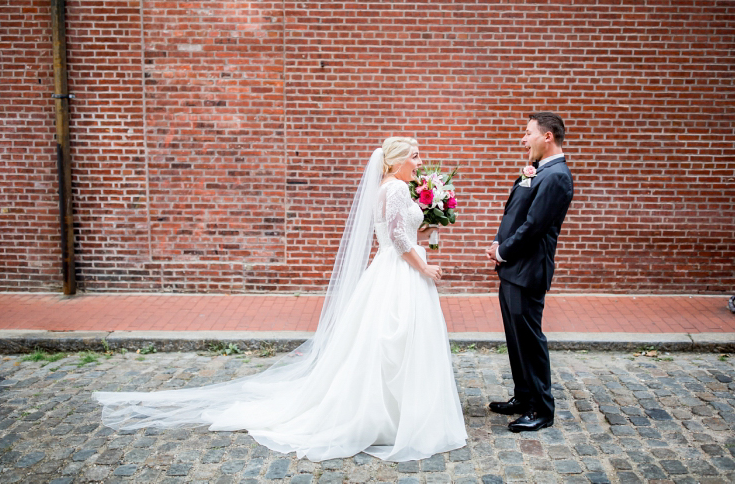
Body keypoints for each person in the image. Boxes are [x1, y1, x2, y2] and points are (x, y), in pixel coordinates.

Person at [93, 137, 467, 462]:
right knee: (398, 342)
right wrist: (425, 268)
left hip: (385, 269)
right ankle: (401, 417)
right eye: (415, 156)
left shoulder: (383, 188)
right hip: (400, 271)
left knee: (377, 344)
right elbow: (401, 241)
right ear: (396, 160)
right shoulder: (398, 189)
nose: (419, 163)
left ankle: (387, 411)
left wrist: (429, 225)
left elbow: (395, 231)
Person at [485, 112, 574, 433]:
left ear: (547, 136)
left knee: (530, 339)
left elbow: (534, 226)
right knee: (515, 337)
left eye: (527, 133)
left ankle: (541, 408)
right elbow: (516, 212)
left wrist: (504, 250)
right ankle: (523, 396)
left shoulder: (556, 177)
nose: (523, 139)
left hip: (528, 269)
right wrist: (499, 241)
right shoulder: (537, 170)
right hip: (512, 267)